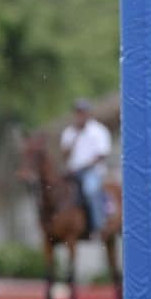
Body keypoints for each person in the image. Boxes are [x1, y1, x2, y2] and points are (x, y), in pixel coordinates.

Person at [59, 98, 112, 236]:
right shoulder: (69, 132)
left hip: (92, 171)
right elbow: (64, 155)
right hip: (72, 171)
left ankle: (99, 225)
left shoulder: (98, 131)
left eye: (82, 112)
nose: (80, 115)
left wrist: (84, 167)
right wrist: (74, 138)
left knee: (90, 190)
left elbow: (101, 154)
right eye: (77, 112)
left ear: (88, 114)